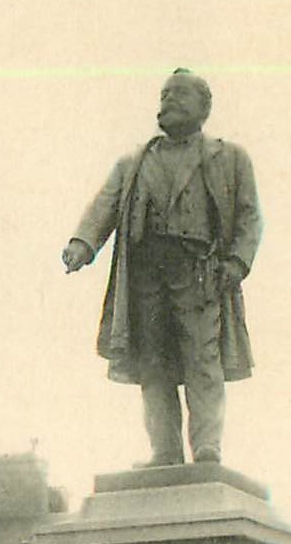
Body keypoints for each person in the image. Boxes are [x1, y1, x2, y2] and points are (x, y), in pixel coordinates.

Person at [62, 69, 262, 468]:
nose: (168, 101)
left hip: (200, 273)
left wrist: (237, 262)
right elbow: (105, 206)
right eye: (164, 94)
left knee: (202, 361)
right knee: (153, 363)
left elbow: (249, 217)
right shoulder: (134, 162)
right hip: (146, 274)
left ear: (204, 108)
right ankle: (165, 450)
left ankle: (207, 447)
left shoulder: (230, 158)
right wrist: (82, 243)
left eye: (180, 95)